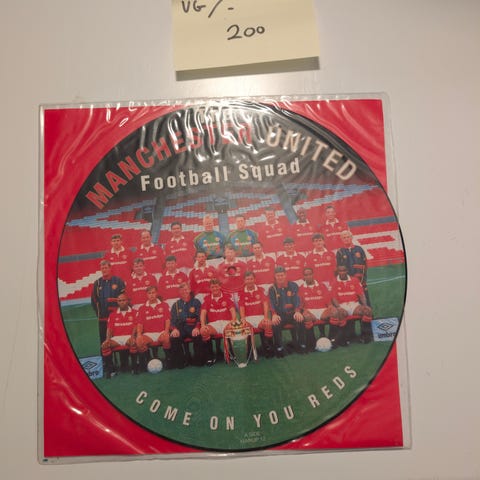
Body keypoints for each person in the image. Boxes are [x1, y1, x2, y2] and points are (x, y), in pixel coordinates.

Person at [268, 266, 306, 357]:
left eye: (282, 275)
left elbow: (298, 299)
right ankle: (279, 348)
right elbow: (271, 303)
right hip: (280, 315)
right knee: (275, 323)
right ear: (275, 276)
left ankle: (302, 345)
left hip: (293, 313)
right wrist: (274, 314)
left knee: (300, 319)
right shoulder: (272, 289)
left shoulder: (293, 285)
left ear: (285, 275)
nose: (280, 277)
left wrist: (297, 311)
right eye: (278, 275)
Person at [331, 265, 373, 344]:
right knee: (340, 313)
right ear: (338, 272)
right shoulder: (334, 282)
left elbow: (361, 294)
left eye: (344, 270)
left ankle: (365, 336)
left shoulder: (354, 280)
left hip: (354, 305)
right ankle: (344, 338)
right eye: (340, 271)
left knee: (367, 311)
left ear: (347, 271)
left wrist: (365, 305)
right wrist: (338, 307)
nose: (342, 272)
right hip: (342, 305)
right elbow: (334, 298)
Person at [298, 267, 338, 350]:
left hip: (322, 310)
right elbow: (300, 305)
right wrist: (303, 311)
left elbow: (328, 302)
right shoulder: (301, 288)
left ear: (313, 274)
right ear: (303, 276)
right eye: (306, 275)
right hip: (310, 311)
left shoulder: (322, 285)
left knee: (334, 312)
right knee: (306, 316)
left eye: (310, 274)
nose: (308, 276)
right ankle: (312, 343)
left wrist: (331, 307)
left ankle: (332, 339)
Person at [200, 278, 237, 364]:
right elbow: (203, 314)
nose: (215, 289)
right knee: (204, 331)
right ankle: (210, 356)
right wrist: (203, 325)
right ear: (210, 288)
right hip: (213, 325)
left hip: (226, 322)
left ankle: (231, 352)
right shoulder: (207, 299)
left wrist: (232, 322)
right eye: (212, 287)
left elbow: (233, 312)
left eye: (216, 286)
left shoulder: (227, 297)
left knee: (231, 328)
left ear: (220, 286)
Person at [101, 293, 138, 378]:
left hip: (129, 336)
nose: (122, 302)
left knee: (133, 343)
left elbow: (135, 326)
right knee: (104, 346)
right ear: (117, 302)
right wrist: (107, 339)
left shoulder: (134, 312)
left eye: (123, 300)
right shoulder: (112, 314)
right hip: (116, 338)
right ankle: (111, 370)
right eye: (119, 301)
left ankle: (134, 367)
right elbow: (109, 329)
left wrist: (133, 337)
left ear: (127, 301)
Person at [238, 271, 274, 358]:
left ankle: (268, 348)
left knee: (268, 323)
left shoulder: (260, 290)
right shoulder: (241, 292)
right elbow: (241, 307)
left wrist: (266, 317)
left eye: (251, 279)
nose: (249, 281)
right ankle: (249, 350)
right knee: (244, 327)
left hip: (259, 317)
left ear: (254, 279)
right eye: (247, 279)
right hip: (248, 318)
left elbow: (265, 304)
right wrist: (243, 319)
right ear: (244, 281)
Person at [136, 286, 172, 370]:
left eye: (153, 293)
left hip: (161, 332)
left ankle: (168, 361)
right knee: (139, 341)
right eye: (149, 293)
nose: (151, 295)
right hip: (148, 334)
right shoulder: (142, 308)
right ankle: (148, 360)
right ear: (146, 295)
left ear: (156, 293)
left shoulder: (164, 305)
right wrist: (139, 334)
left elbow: (167, 320)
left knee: (166, 338)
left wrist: (166, 331)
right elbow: (140, 324)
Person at [170, 282, 206, 366]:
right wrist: (174, 329)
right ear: (179, 292)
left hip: (192, 327)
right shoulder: (176, 305)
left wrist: (197, 327)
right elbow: (172, 320)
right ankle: (181, 361)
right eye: (182, 290)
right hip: (181, 328)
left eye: (186, 290)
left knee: (198, 335)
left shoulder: (196, 302)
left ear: (189, 290)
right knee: (174, 338)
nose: (184, 292)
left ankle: (198, 359)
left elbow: (199, 317)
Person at [91, 260, 126, 344]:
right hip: (103, 318)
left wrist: (120, 313)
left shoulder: (118, 281)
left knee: (120, 340)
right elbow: (94, 301)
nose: (104, 270)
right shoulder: (97, 283)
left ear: (110, 268)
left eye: (106, 268)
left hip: (117, 317)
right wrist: (99, 314)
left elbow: (124, 298)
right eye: (102, 268)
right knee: (104, 342)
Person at [336, 230, 370, 304]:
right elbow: (339, 268)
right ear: (341, 239)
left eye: (348, 237)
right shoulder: (340, 252)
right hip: (348, 281)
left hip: (360, 279)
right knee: (352, 301)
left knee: (365, 300)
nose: (346, 239)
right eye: (344, 237)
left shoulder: (359, 249)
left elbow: (365, 265)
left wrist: (362, 279)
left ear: (351, 237)